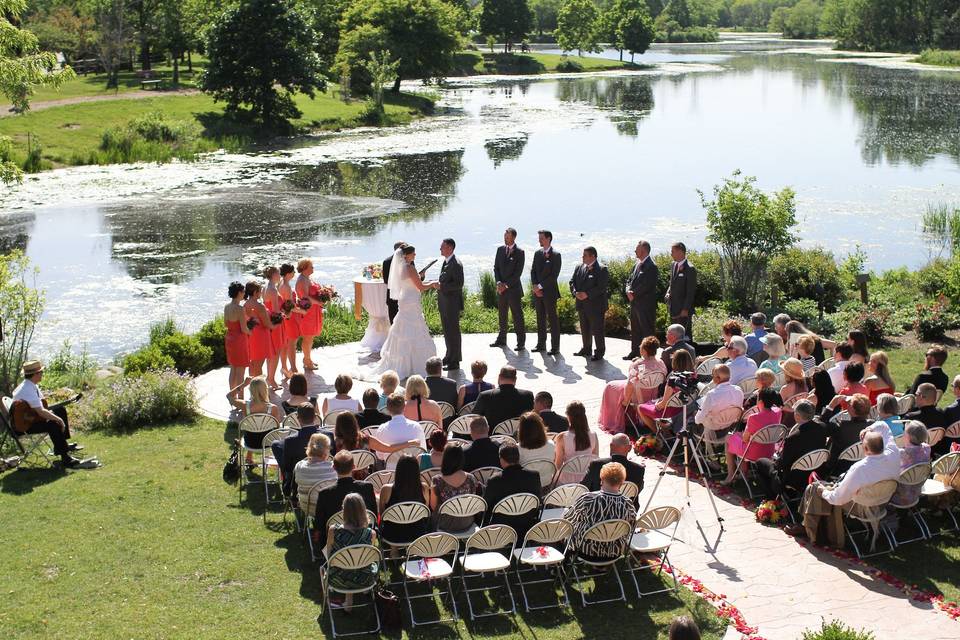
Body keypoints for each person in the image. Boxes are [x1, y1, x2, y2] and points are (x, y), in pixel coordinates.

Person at [373, 245, 438, 379]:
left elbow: (409, 281)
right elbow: (420, 287)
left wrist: (419, 277)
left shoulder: (400, 268)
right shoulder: (409, 267)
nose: (415, 255)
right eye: (413, 253)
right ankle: (416, 365)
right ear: (406, 255)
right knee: (415, 329)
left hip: (404, 299)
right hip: (411, 301)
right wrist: (432, 283)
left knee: (403, 327)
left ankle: (403, 362)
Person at [11, 360, 83, 468]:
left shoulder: (30, 385)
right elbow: (41, 411)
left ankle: (63, 445)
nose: (42, 374)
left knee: (60, 410)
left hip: (31, 418)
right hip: (24, 425)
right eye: (41, 372)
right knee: (53, 423)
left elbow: (41, 406)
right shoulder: (27, 389)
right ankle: (65, 458)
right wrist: (59, 420)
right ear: (35, 374)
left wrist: (56, 415)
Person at [754, 400, 827, 499]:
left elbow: (782, 464)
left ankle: (771, 497)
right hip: (814, 471)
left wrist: (776, 459)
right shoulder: (822, 428)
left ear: (797, 416)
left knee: (760, 462)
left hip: (793, 478)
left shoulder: (793, 437)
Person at [565, 462, 637, 561]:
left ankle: (560, 567)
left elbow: (568, 520)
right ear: (621, 483)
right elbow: (631, 527)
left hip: (585, 551)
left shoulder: (588, 499)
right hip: (614, 552)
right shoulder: (628, 504)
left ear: (602, 480)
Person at [599, 336, 667, 433]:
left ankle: (612, 420)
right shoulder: (661, 363)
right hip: (652, 396)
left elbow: (630, 385)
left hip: (637, 397)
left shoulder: (637, 364)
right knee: (616, 385)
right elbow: (663, 378)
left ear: (643, 350)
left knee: (610, 386)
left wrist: (626, 401)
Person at [324, 493, 379, 611]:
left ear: (344, 511)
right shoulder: (371, 534)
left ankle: (347, 601)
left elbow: (329, 557)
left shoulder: (333, 530)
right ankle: (355, 596)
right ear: (363, 510)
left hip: (338, 579)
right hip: (365, 579)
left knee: (333, 565)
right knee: (359, 563)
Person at [820, 428, 900, 507]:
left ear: (865, 448)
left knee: (814, 488)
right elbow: (884, 427)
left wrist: (823, 492)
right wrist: (869, 430)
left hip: (861, 506)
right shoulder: (894, 453)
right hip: (884, 501)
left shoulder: (859, 468)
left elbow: (838, 499)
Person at [721, 387, 784, 485]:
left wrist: (740, 435)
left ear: (760, 401)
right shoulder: (778, 412)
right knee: (738, 437)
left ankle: (730, 475)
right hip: (769, 451)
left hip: (754, 453)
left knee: (729, 438)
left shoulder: (754, 417)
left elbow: (745, 440)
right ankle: (744, 473)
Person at [316, 452, 378, 548]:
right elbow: (373, 515)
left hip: (336, 543)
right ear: (354, 467)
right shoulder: (367, 487)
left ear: (333, 468)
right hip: (365, 540)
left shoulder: (324, 494)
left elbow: (319, 525)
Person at [483, 444, 542, 538]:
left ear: (501, 459)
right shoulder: (534, 476)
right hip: (527, 522)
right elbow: (538, 500)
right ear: (518, 457)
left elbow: (486, 505)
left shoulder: (494, 480)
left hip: (502, 526)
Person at [227, 376, 284, 463]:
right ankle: (271, 457)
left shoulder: (245, 405)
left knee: (253, 429)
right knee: (263, 429)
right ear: (265, 389)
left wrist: (243, 385)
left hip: (250, 442)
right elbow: (277, 428)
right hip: (267, 442)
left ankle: (249, 457)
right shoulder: (273, 408)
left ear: (251, 390)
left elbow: (229, 396)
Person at [638, 350, 696, 433]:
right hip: (685, 408)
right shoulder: (694, 375)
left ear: (675, 362)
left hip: (671, 411)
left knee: (640, 407)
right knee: (652, 403)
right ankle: (665, 427)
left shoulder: (673, 379)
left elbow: (663, 404)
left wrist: (656, 406)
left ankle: (661, 434)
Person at [379, 455, 430, 547]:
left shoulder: (386, 489)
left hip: (392, 535)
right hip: (418, 533)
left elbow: (382, 514)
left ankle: (393, 550)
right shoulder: (424, 488)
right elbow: (425, 511)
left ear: (398, 470)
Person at [273, 402, 322, 497]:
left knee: (277, 446)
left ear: (298, 419)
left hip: (300, 482)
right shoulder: (328, 436)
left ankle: (287, 485)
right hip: (323, 480)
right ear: (316, 417)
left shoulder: (291, 440)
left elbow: (287, 467)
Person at [569, 246, 609, 361]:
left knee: (597, 330)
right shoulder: (579, 267)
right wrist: (575, 292)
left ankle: (599, 352)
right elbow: (572, 281)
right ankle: (586, 348)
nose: (582, 257)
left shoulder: (602, 269)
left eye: (585, 255)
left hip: (596, 305)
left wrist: (587, 294)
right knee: (584, 327)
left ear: (593, 256)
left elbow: (601, 287)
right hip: (581, 304)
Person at [430, 444, 480, 534]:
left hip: (444, 525)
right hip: (467, 523)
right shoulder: (471, 478)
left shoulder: (437, 480)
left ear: (445, 458)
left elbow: (433, 507)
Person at [491, 227, 527, 350]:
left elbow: (518, 273)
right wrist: (499, 283)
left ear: (513, 237)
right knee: (502, 315)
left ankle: (521, 342)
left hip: (513, 290)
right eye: (504, 236)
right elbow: (496, 268)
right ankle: (501, 339)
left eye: (507, 236)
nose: (505, 238)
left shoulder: (520, 252)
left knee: (517, 316)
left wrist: (506, 285)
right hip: (501, 290)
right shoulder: (500, 250)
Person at [370, 394, 427, 467]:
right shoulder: (416, 426)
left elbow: (380, 456)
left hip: (391, 471)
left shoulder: (382, 429)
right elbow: (423, 450)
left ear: (387, 408)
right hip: (413, 469)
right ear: (404, 407)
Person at [625, 240, 659, 359]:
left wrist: (634, 293)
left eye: (637, 249)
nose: (635, 251)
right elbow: (629, 280)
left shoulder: (652, 266)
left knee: (646, 330)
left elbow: (647, 284)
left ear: (643, 250)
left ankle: (648, 355)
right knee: (635, 329)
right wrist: (628, 290)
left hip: (645, 305)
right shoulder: (636, 264)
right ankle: (635, 352)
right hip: (635, 303)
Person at [472, 366, 535, 430]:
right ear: (515, 379)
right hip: (519, 436)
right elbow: (532, 418)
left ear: (499, 377)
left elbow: (474, 417)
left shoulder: (485, 396)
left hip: (493, 436)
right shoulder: (528, 396)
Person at [434, 237, 464, 370]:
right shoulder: (447, 261)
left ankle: (455, 361)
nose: (440, 249)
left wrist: (442, 287)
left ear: (450, 248)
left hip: (452, 304)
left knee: (453, 332)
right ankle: (449, 355)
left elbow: (459, 284)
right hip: (445, 303)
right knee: (447, 331)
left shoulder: (456, 263)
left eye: (442, 247)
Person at [530, 229, 562, 355]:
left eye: (541, 238)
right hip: (538, 292)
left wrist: (540, 286)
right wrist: (535, 286)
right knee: (540, 318)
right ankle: (541, 344)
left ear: (548, 239)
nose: (539, 240)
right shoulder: (537, 253)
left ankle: (555, 347)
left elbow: (554, 276)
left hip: (549, 292)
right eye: (539, 238)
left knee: (552, 319)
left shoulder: (556, 255)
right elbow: (533, 270)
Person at [824, 394, 872, 476]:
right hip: (861, 465)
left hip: (837, 468)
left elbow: (823, 424)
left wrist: (831, 406)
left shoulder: (842, 428)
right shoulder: (872, 425)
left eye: (849, 404)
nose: (847, 404)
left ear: (853, 410)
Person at [555, 401, 599, 483]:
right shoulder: (594, 435)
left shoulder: (562, 437)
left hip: (566, 481)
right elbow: (595, 459)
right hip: (587, 479)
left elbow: (558, 465)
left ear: (568, 416)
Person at [890, 421, 931, 508]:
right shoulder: (927, 448)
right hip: (916, 492)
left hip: (898, 496)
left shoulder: (902, 453)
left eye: (904, 432)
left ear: (907, 437)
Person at [694, 364, 744, 429]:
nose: (712, 378)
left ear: (718, 378)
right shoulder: (739, 390)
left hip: (713, 425)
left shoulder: (712, 394)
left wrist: (695, 419)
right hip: (730, 423)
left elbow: (699, 419)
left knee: (696, 408)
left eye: (713, 376)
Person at [294, 259, 323, 370]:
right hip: (307, 312)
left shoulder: (307, 278)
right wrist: (318, 302)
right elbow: (305, 297)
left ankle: (307, 358)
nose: (313, 268)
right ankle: (307, 361)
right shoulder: (302, 280)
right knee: (308, 337)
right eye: (311, 266)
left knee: (310, 338)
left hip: (313, 311)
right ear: (305, 267)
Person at [224, 282, 251, 399]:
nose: (244, 294)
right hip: (239, 340)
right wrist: (252, 332)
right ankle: (241, 398)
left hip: (230, 339)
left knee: (233, 368)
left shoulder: (227, 307)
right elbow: (244, 329)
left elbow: (226, 324)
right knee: (241, 370)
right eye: (243, 291)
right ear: (239, 293)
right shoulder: (240, 309)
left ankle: (232, 396)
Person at [294, 433, 337, 507]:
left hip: (306, 507)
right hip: (329, 508)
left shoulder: (299, 466)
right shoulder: (333, 467)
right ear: (326, 450)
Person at [904, 383, 949, 454]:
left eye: (916, 395)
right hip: (934, 453)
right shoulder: (941, 413)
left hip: (914, 455)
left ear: (921, 397)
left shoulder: (911, 418)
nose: (915, 397)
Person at [243, 280, 275, 378]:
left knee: (253, 363)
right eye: (260, 291)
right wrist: (277, 324)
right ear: (255, 292)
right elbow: (267, 324)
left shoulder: (245, 305)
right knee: (259, 364)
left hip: (250, 335)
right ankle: (259, 390)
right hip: (260, 337)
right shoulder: (259, 306)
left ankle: (253, 386)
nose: (261, 293)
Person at [665, 242, 697, 337]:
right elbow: (672, 283)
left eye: (673, 252)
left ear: (680, 252)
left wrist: (685, 309)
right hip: (673, 307)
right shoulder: (673, 265)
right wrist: (668, 293)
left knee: (684, 336)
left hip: (683, 310)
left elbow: (690, 291)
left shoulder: (690, 268)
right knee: (673, 335)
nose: (671, 254)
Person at [262, 266, 285, 390]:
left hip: (268, 323)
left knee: (270, 353)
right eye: (278, 274)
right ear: (274, 275)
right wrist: (284, 314)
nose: (280, 276)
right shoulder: (273, 290)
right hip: (275, 324)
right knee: (275, 353)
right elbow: (276, 310)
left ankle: (269, 377)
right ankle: (271, 379)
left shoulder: (265, 287)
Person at [517, 411, 556, 486]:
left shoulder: (518, 448)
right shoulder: (551, 444)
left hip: (527, 485)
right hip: (546, 482)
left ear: (522, 430)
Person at [278, 263, 300, 378]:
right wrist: (303, 311)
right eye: (293, 272)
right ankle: (293, 368)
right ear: (288, 273)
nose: (294, 274)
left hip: (285, 317)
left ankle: (284, 368)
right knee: (292, 344)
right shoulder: (286, 287)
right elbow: (290, 306)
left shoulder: (280, 283)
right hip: (290, 318)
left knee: (285, 344)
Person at [382, 241, 406, 324]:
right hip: (402, 295)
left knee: (395, 322)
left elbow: (385, 281)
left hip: (394, 295)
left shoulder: (386, 261)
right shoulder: (408, 261)